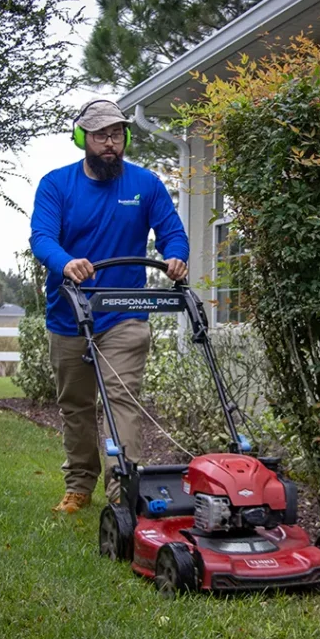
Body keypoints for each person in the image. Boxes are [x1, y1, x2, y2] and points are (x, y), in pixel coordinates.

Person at [29, 98, 189, 514]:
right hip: (69, 314)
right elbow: (42, 238)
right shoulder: (56, 185)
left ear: (125, 137)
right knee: (76, 405)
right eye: (100, 135)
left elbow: (173, 232)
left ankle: (124, 492)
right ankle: (80, 483)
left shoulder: (145, 184)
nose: (110, 143)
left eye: (116, 134)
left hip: (124, 312)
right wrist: (67, 263)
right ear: (83, 138)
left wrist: (175, 256)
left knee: (123, 400)